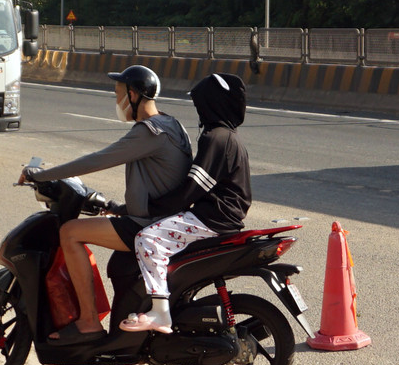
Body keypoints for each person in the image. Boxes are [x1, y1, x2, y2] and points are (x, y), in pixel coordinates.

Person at [19, 65, 191, 345]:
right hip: (164, 219)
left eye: (118, 93)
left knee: (70, 232)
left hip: (148, 225)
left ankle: (88, 321)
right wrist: (120, 207)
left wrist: (39, 174)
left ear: (133, 95)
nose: (117, 101)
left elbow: (97, 160)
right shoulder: (172, 124)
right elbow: (158, 181)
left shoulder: (148, 131)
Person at [120, 73, 252, 334]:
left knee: (147, 240)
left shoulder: (216, 138)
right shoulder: (228, 136)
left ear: (211, 104)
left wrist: (151, 209)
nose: (198, 110)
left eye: (200, 104)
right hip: (221, 217)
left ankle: (160, 313)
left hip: (213, 219)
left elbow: (190, 190)